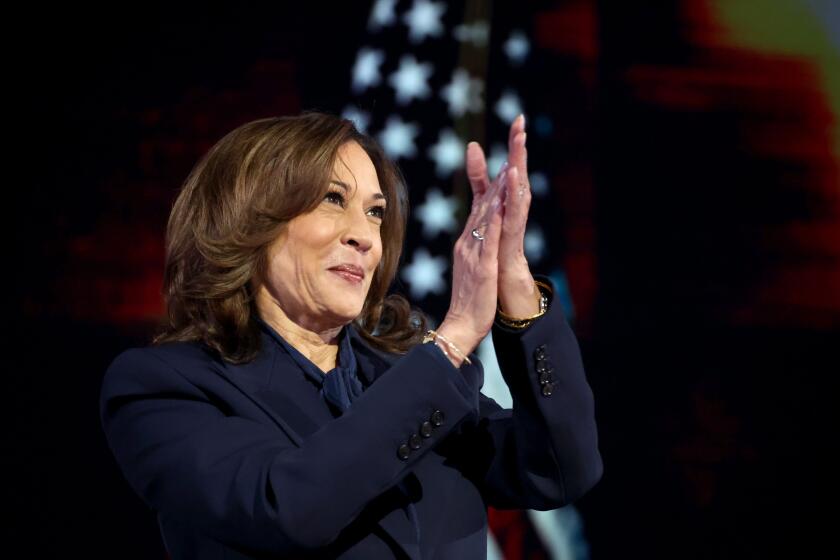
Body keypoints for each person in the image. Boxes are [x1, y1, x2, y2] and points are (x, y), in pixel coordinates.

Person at [99, 110, 603, 559]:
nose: (364, 235)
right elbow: (289, 507)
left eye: (375, 211)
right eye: (332, 199)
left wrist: (513, 281)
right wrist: (452, 338)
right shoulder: (162, 386)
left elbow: (560, 470)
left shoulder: (408, 376)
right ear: (248, 221)